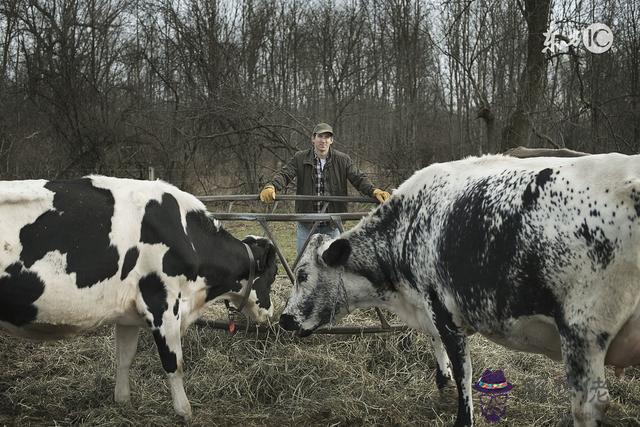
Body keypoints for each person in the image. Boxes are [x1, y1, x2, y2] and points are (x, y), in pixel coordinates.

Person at [259, 122, 391, 255]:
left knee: (333, 266)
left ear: (331, 140)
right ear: (313, 138)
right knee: (302, 264)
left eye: (327, 137)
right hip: (307, 223)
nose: (323, 140)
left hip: (332, 224)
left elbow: (358, 178)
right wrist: (272, 186)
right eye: (320, 136)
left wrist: (374, 191)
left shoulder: (343, 160)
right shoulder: (300, 158)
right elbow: (285, 174)